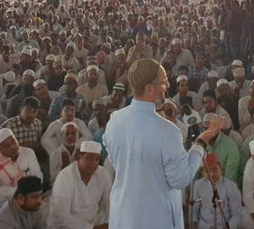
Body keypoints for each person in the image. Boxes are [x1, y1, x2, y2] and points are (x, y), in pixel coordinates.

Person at [102, 58, 223, 229]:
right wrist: (201, 142)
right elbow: (181, 179)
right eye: (164, 82)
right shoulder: (168, 131)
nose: (167, 87)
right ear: (149, 88)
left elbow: (120, 159)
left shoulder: (115, 120)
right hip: (155, 217)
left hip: (123, 214)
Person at [48, 141, 111, 229]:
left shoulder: (103, 173)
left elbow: (109, 202)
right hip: (69, 225)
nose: (93, 163)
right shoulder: (65, 177)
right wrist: (92, 228)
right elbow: (61, 217)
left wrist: (109, 222)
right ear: (79, 157)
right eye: (89, 158)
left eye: (97, 159)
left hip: (95, 220)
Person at [0, 128, 42, 211]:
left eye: (13, 141)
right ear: (0, 149)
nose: (12, 146)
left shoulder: (28, 153)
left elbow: (39, 177)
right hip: (5, 203)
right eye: (7, 146)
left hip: (29, 199)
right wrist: (18, 191)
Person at [190, 153, 243, 229]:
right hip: (203, 226)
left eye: (215, 169)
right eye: (207, 171)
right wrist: (194, 223)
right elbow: (194, 209)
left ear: (220, 169)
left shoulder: (231, 186)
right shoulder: (198, 185)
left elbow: (237, 214)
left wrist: (228, 227)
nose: (211, 174)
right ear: (202, 173)